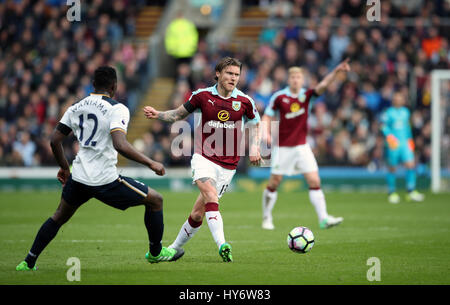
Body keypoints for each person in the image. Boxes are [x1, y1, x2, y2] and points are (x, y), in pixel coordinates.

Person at [16, 67, 183, 271]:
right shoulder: (117, 108)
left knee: (59, 216)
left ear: (93, 85)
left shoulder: (76, 106)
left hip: (78, 177)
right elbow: (120, 144)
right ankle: (156, 253)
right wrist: (151, 163)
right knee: (156, 200)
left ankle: (28, 262)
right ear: (114, 86)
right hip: (105, 180)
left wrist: (64, 168)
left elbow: (54, 140)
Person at [143, 57, 261, 262]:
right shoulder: (202, 96)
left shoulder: (244, 101)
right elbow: (178, 115)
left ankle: (170, 250)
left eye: (236, 74)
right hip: (203, 157)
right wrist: (158, 114)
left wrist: (256, 147)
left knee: (198, 213)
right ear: (218, 74)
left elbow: (256, 124)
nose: (233, 78)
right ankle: (222, 244)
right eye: (229, 73)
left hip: (228, 166)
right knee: (211, 196)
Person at [260, 60, 350, 230]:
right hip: (283, 147)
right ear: (289, 79)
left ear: (303, 80)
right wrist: (265, 132)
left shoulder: (307, 95)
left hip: (302, 146)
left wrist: (336, 71)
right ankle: (266, 217)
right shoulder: (279, 97)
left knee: (314, 180)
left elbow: (323, 85)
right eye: (293, 77)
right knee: (274, 183)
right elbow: (267, 116)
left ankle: (323, 219)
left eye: (298, 77)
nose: (295, 79)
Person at [380, 92, 425, 204]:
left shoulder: (406, 112)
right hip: (394, 144)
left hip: (405, 143)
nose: (398, 100)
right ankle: (392, 192)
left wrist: (410, 141)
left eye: (400, 99)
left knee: (410, 165)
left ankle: (411, 191)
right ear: (393, 100)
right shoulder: (388, 113)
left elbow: (407, 127)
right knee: (392, 168)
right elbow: (383, 126)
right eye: (396, 98)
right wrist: (390, 138)